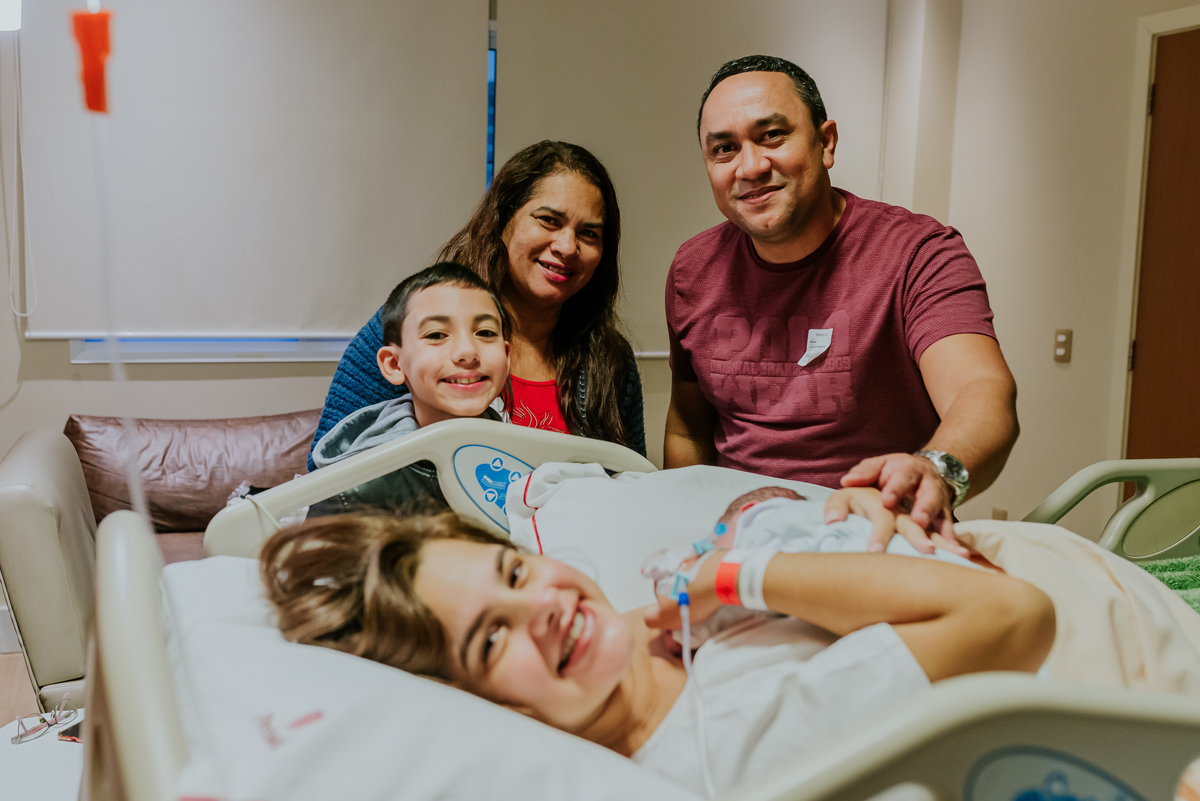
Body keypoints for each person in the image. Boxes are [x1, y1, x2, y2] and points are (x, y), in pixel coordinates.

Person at [259, 496, 1062, 795]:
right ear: (472, 705)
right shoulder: (738, 744)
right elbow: (1012, 616)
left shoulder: (657, 626)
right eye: (491, 636)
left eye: (515, 571)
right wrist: (746, 576)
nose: (544, 606)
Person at [663, 55, 1019, 548]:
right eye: (724, 149)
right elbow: (688, 427)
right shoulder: (693, 269)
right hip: (738, 542)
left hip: (876, 533)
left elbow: (980, 390)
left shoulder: (917, 253)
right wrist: (687, 524)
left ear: (826, 142)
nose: (750, 167)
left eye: (772, 136)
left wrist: (933, 471)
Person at [311, 141, 645, 472]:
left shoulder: (611, 359)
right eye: (548, 220)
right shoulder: (411, 330)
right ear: (503, 220)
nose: (568, 246)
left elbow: (634, 484)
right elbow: (326, 474)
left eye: (589, 233)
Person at [308, 263, 511, 514]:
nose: (468, 351)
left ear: (506, 355)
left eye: (486, 332)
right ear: (394, 364)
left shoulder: (524, 460)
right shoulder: (353, 490)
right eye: (436, 335)